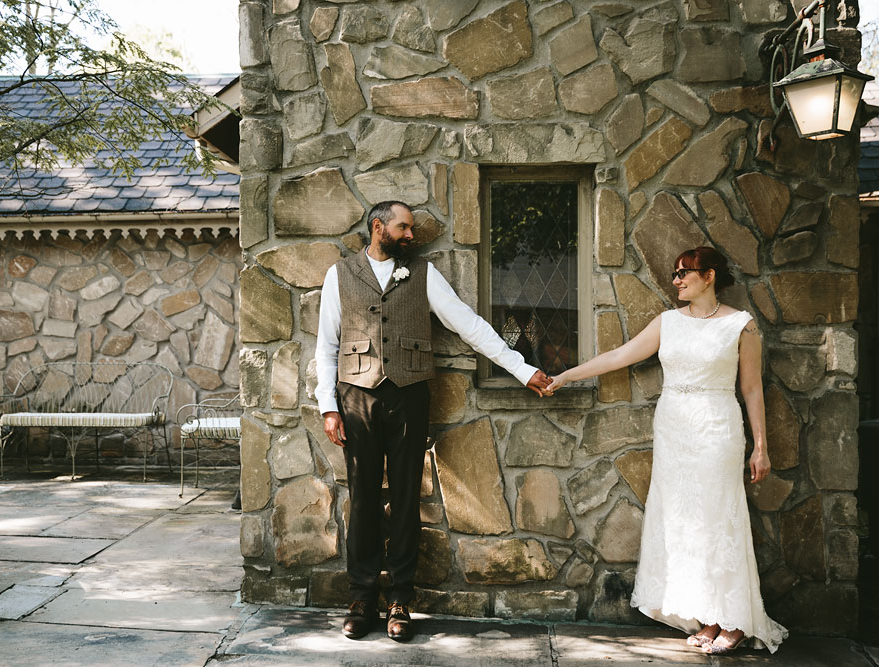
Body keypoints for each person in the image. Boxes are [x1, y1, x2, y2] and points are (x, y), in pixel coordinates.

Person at [315, 200, 552, 642]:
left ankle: (401, 598)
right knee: (363, 498)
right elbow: (326, 344)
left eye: (412, 230)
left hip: (409, 396)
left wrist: (521, 369)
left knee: (406, 496)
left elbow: (469, 324)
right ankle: (362, 595)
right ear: (377, 226)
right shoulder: (339, 274)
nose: (411, 236)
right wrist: (328, 406)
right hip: (356, 395)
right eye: (403, 228)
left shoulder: (423, 274)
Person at [545, 246, 787, 655]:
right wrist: (567, 375)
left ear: (709, 276)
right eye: (675, 273)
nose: (676, 280)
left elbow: (751, 389)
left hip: (716, 429)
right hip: (674, 431)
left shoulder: (742, 327)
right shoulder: (667, 322)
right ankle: (704, 615)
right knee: (683, 523)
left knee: (718, 520)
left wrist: (760, 447)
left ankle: (732, 619)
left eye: (684, 273)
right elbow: (620, 356)